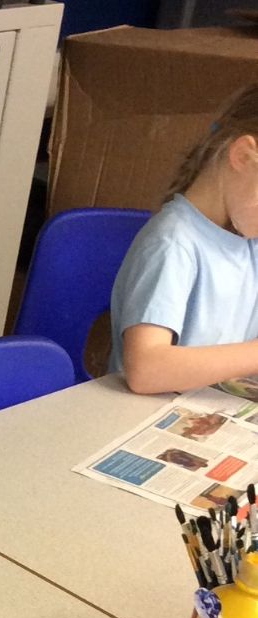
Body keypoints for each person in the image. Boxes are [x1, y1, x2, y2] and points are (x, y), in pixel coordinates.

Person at [110, 84, 258, 393]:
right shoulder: (172, 244)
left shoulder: (248, 241)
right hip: (139, 415)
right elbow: (145, 370)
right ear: (244, 156)